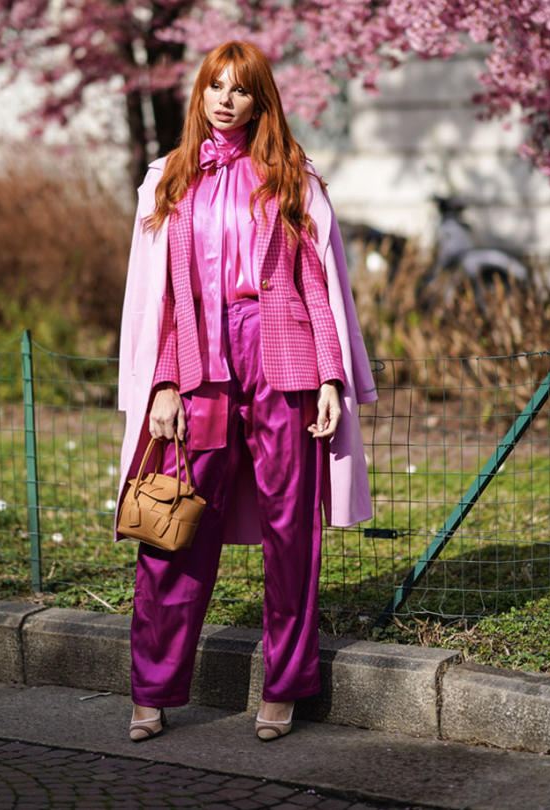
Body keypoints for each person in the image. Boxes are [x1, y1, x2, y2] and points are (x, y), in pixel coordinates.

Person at [114, 41, 377, 742]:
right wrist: (165, 381)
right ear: (199, 95)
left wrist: (330, 375)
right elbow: (163, 298)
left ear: (262, 101)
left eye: (241, 89)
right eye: (214, 87)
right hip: (199, 368)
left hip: (282, 362)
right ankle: (153, 685)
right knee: (174, 528)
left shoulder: (292, 176)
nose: (225, 100)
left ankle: (286, 684)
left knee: (292, 534)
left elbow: (314, 281)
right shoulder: (169, 179)